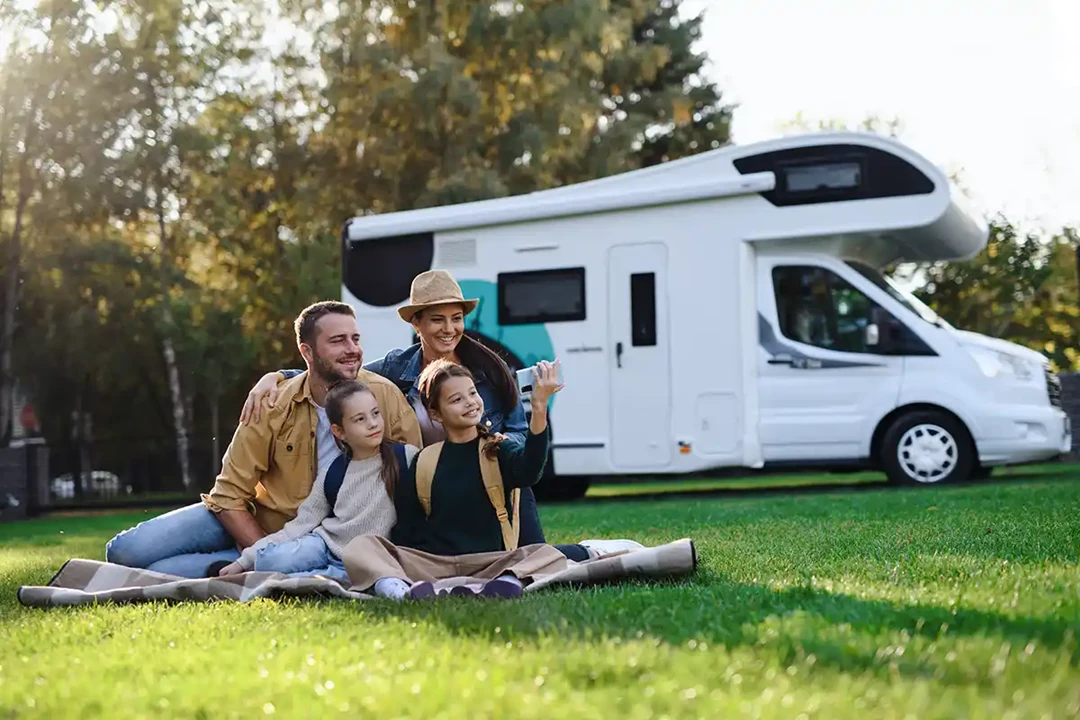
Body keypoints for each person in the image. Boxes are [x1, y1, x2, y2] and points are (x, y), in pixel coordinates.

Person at [240, 270, 642, 561]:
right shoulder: (396, 369)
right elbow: (341, 373)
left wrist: (491, 449)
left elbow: (518, 435)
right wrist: (277, 376)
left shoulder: (489, 372)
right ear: (416, 323)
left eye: (456, 318)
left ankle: (597, 551)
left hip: (490, 480)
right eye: (437, 319)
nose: (449, 329)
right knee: (449, 564)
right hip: (430, 487)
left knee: (531, 560)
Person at [103, 301, 422, 578]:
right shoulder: (272, 402)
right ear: (306, 352)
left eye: (355, 338)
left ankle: (232, 563)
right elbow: (228, 493)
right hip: (258, 522)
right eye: (338, 340)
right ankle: (239, 557)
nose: (352, 349)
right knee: (124, 553)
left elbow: (413, 478)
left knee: (156, 573)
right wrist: (260, 552)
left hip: (316, 542)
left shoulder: (383, 396)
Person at [343, 358, 570, 600]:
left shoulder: (497, 448)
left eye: (472, 393)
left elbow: (530, 470)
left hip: (493, 562)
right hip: (435, 565)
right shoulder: (423, 461)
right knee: (361, 547)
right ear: (435, 413)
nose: (470, 402)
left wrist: (539, 408)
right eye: (456, 399)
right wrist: (407, 559)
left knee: (547, 555)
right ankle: (401, 592)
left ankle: (507, 582)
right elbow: (407, 529)